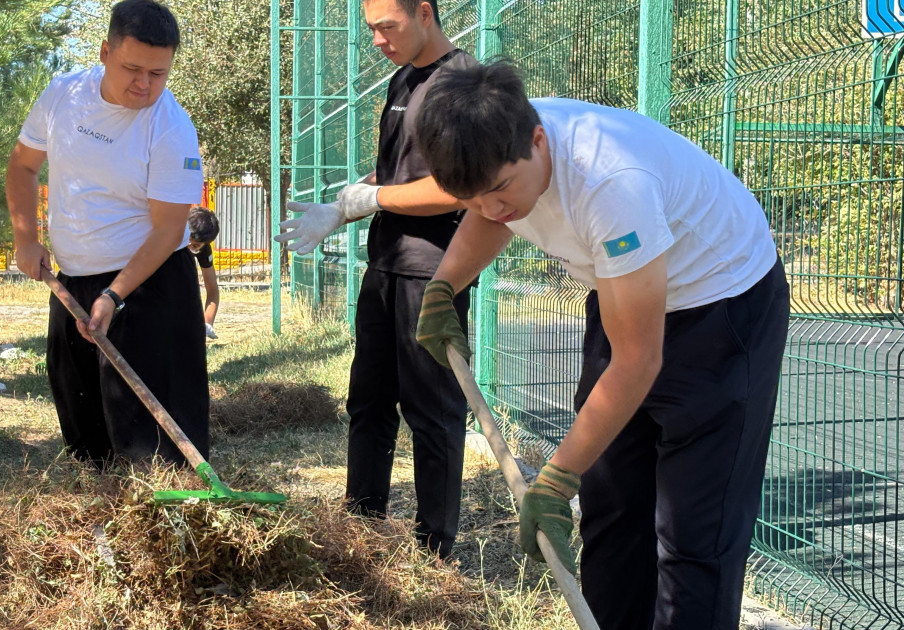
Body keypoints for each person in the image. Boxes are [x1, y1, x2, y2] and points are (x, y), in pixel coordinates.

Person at [412, 60, 790, 630]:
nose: (492, 209)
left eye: (500, 190)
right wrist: (445, 286)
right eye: (472, 198)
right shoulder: (499, 144)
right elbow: (492, 214)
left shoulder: (610, 182)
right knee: (611, 509)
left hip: (722, 306)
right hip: (626, 290)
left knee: (695, 534)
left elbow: (637, 360)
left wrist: (555, 479)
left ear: (539, 142)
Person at [275, 0, 476, 559]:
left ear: (425, 13)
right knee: (367, 402)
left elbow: (459, 187)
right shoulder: (401, 80)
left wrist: (375, 198)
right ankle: (360, 529)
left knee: (432, 413)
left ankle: (435, 550)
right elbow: (395, 176)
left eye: (388, 27)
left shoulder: (463, 84)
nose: (378, 40)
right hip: (384, 264)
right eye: (371, 29)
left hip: (433, 271)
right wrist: (344, 205)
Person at [5, 0, 209, 468]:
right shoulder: (64, 94)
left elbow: (167, 230)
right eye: (132, 69)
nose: (144, 84)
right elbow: (22, 166)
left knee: (154, 452)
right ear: (104, 52)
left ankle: (169, 507)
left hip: (151, 287)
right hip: (73, 282)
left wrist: (114, 296)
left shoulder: (171, 127)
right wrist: (25, 238)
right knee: (86, 439)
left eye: (158, 73)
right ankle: (100, 509)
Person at [187, 206, 221, 339]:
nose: (188, 248)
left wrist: (207, 324)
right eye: (186, 241)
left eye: (195, 246)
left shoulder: (203, 251)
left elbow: (213, 291)